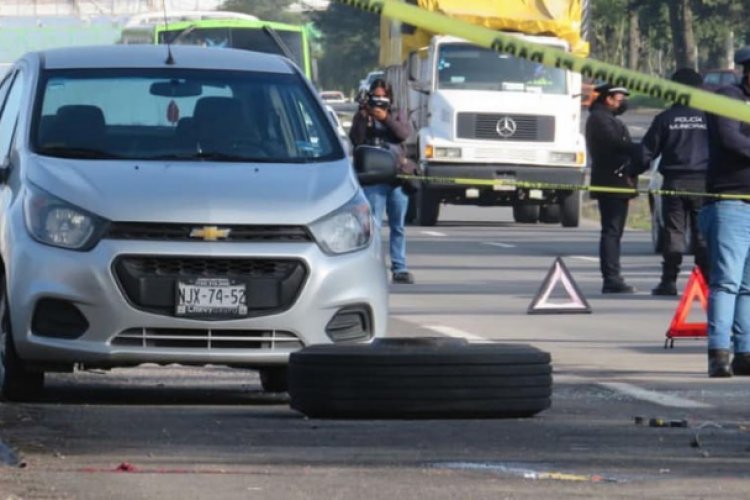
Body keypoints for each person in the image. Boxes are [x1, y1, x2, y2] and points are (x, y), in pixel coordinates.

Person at [626, 68, 710, 296]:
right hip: (705, 184)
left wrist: (630, 171)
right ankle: (706, 282)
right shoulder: (709, 117)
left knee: (674, 232)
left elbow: (646, 153)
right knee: (703, 234)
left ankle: (669, 281)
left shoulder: (665, 119)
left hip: (674, 183)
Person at [699, 47, 750, 378]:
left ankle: (745, 353)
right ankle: (719, 353)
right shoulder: (727, 98)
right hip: (730, 203)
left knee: (748, 286)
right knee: (727, 282)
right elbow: (732, 140)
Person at [349, 78, 414, 284]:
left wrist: (385, 118)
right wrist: (363, 116)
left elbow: (403, 134)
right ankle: (372, 266)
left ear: (389, 98)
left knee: (398, 226)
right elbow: (356, 140)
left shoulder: (397, 113)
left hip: (396, 176)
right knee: (373, 225)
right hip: (374, 177)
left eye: (383, 97)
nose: (379, 102)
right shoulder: (363, 114)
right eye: (375, 97)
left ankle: (400, 267)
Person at [585, 83, 640, 293]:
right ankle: (611, 277)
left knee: (614, 231)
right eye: (619, 98)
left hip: (616, 179)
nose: (622, 102)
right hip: (611, 180)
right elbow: (615, 144)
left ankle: (613, 276)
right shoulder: (600, 119)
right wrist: (640, 148)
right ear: (608, 99)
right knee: (611, 231)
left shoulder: (606, 119)